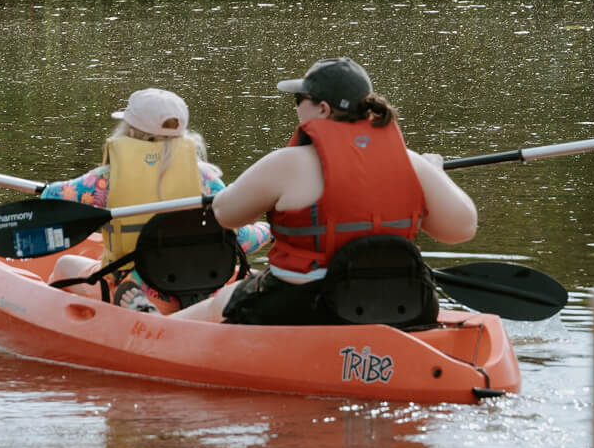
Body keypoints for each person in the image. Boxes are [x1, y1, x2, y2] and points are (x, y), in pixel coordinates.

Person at [174, 57, 477, 324]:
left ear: (322, 108)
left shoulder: (286, 164)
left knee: (223, 300)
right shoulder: (411, 162)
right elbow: (462, 229)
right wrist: (435, 174)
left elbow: (226, 215)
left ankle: (152, 331)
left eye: (298, 101)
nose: (296, 109)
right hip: (400, 301)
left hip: (306, 305)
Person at [39, 88, 271, 313]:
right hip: (203, 291)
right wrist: (267, 229)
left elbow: (53, 199)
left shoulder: (105, 180)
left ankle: (58, 324)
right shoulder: (207, 180)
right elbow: (238, 240)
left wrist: (48, 190)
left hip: (134, 288)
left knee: (65, 265)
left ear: (130, 132)